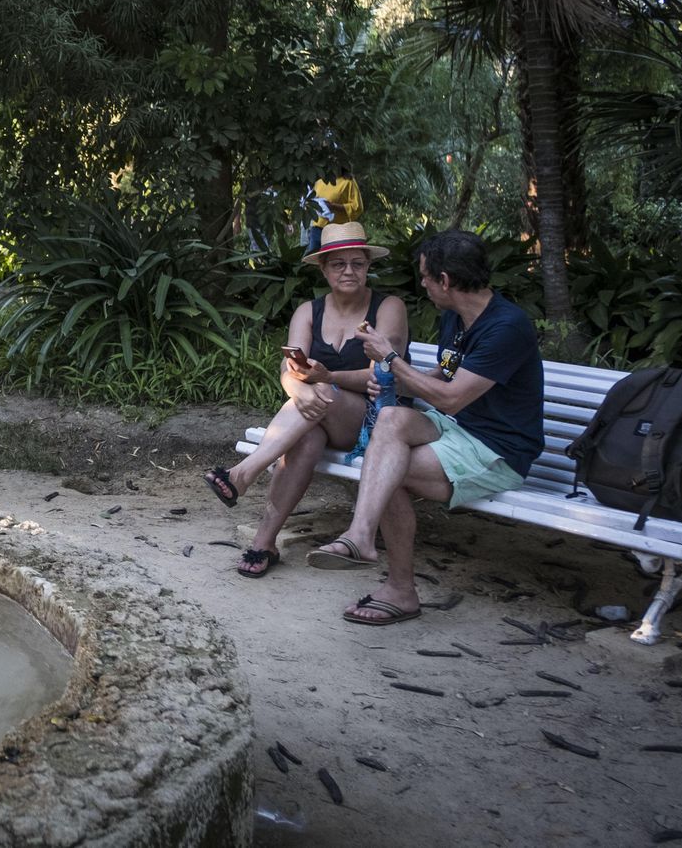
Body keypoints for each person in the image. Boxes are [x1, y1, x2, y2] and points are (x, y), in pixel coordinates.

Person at [306, 229, 544, 626]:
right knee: (391, 417)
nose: (423, 285)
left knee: (388, 470)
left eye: (425, 277)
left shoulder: (506, 327)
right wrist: (386, 378)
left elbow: (451, 398)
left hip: (497, 450)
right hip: (458, 430)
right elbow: (443, 375)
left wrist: (391, 359)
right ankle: (361, 538)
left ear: (445, 281)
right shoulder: (457, 318)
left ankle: (397, 587)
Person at [203, 222, 408, 578]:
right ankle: (264, 543)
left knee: (323, 394)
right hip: (319, 415)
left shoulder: (388, 307)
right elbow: (290, 366)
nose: (349, 271)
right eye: (339, 264)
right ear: (324, 269)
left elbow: (383, 374)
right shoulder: (308, 311)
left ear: (368, 267)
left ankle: (244, 472)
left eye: (357, 263)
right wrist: (298, 387)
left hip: (376, 422)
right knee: (308, 437)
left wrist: (326, 379)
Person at [306, 168, 362, 254]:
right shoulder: (320, 181)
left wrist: (333, 206)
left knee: (335, 258)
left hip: (337, 230)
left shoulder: (348, 182)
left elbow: (357, 207)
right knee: (314, 260)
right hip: (317, 228)